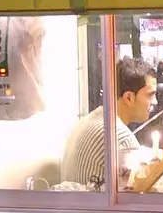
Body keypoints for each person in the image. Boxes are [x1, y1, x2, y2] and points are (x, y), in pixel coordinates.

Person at [61, 57, 156, 190]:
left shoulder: (88, 120)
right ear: (128, 97)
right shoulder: (119, 138)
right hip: (97, 210)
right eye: (150, 95)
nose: (155, 101)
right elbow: (140, 194)